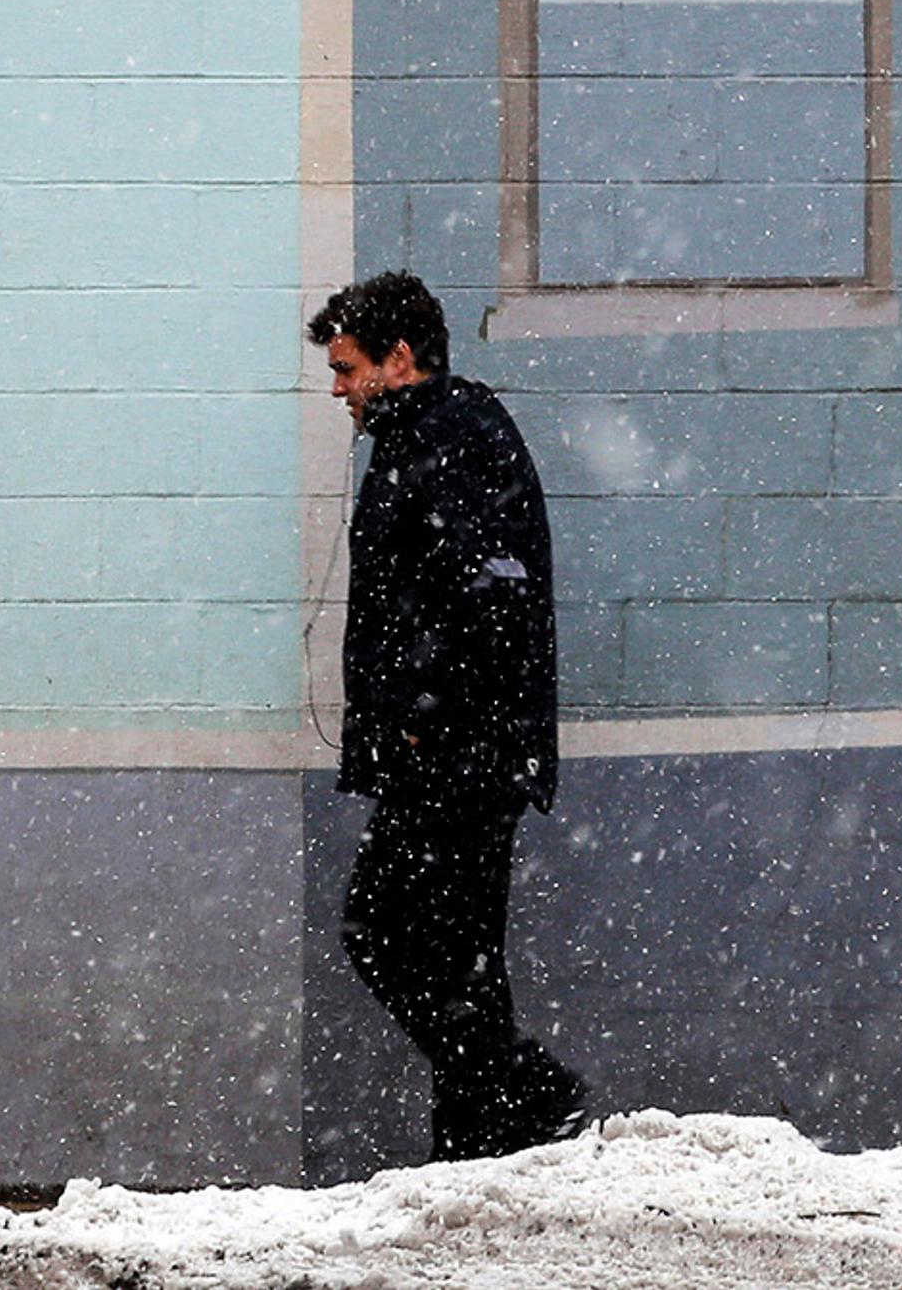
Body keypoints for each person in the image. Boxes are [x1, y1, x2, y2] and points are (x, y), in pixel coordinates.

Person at [310, 269, 587, 1164]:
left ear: (400, 359)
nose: (339, 388)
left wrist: (427, 710)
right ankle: (484, 1152)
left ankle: (529, 1096)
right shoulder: (423, 436)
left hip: (459, 755)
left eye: (348, 368)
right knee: (460, 956)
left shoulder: (452, 437)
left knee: (381, 927)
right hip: (460, 751)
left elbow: (490, 595)